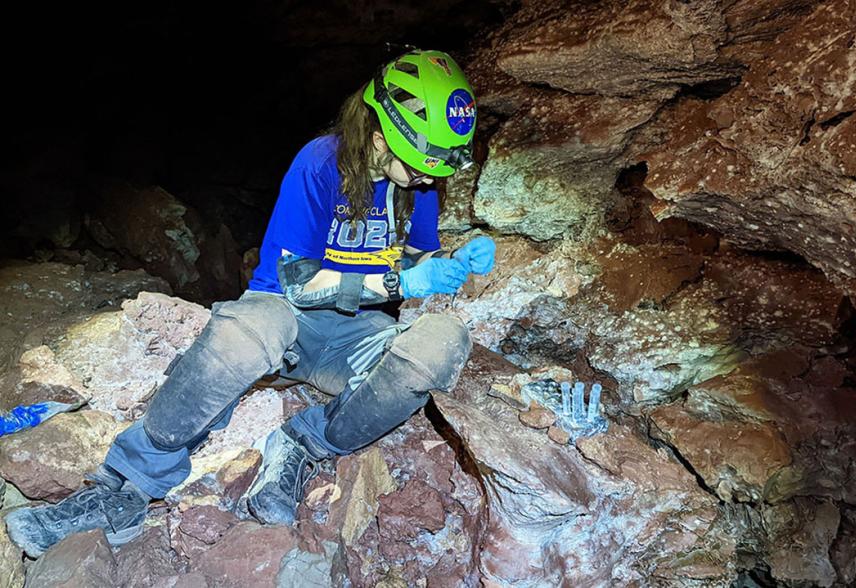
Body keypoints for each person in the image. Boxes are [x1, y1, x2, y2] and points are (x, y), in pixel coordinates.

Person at [5, 49, 496, 558]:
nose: (426, 179)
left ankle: (305, 444)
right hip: (287, 320)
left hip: (355, 337)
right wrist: (405, 283)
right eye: (417, 166)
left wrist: (451, 260)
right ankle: (125, 485)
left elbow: (417, 254)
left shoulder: (416, 188)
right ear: (379, 137)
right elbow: (297, 282)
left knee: (444, 342)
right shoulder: (320, 164)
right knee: (242, 334)